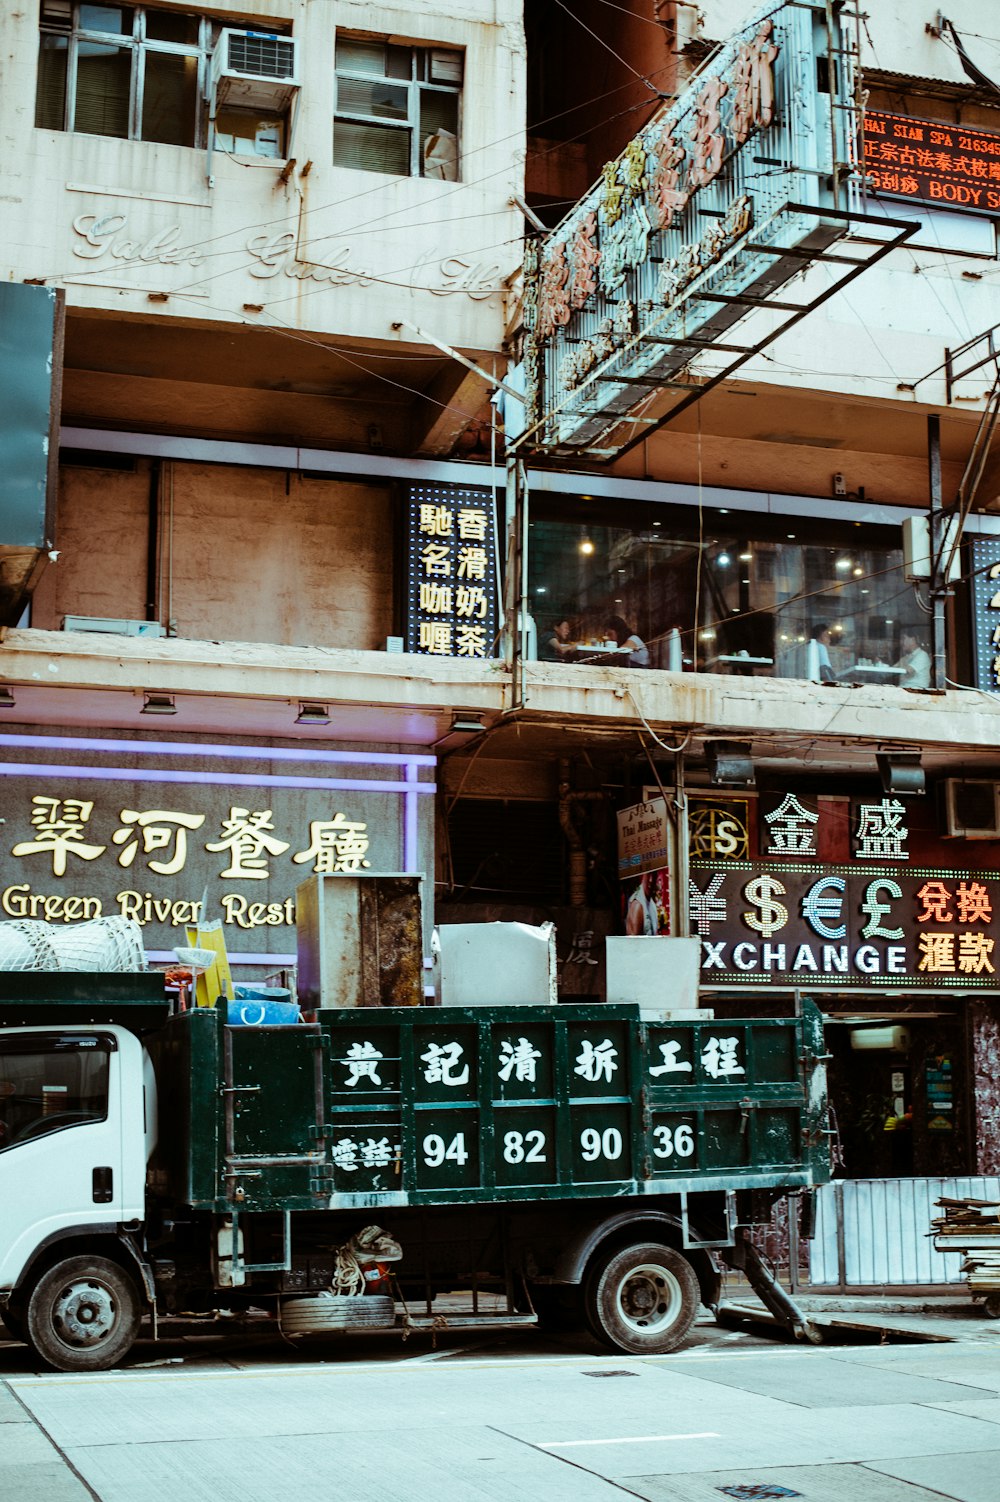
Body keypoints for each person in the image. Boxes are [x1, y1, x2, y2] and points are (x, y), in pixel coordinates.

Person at [626, 870, 660, 935]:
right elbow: (635, 943)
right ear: (643, 875)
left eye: (654, 875)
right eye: (648, 874)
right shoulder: (637, 905)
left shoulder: (651, 903)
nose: (650, 880)